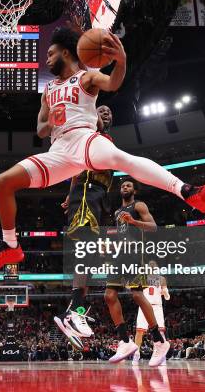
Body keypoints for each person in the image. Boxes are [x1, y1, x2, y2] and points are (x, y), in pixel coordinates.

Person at [0, 27, 205, 271]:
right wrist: (50, 121)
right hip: (58, 152)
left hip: (84, 138)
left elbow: (113, 83)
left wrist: (121, 60)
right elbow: (41, 129)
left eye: (51, 53)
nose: (47, 58)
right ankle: (11, 247)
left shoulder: (87, 76)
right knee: (3, 182)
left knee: (120, 158)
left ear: (65, 52)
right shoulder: (49, 89)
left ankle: (189, 192)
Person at [53, 105, 114, 348]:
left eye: (109, 111)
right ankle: (73, 313)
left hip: (97, 195)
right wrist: (72, 195)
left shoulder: (107, 138)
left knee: (88, 258)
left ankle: (75, 311)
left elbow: (76, 173)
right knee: (86, 253)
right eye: (101, 110)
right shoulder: (91, 133)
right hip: (87, 193)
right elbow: (77, 174)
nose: (106, 113)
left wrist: (68, 197)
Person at [104, 179, 170, 367]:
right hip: (119, 255)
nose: (125, 187)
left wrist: (134, 221)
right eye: (123, 186)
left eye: (129, 186)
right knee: (109, 296)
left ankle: (159, 341)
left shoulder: (138, 205)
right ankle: (125, 341)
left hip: (136, 254)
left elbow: (153, 226)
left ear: (134, 190)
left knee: (136, 295)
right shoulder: (117, 212)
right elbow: (120, 234)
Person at [132, 259, 170, 366]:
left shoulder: (162, 279)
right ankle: (136, 353)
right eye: (150, 265)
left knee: (160, 332)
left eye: (154, 264)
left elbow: (167, 297)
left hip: (157, 307)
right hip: (144, 306)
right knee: (139, 332)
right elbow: (130, 286)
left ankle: (160, 355)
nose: (152, 266)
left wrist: (166, 293)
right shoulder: (142, 277)